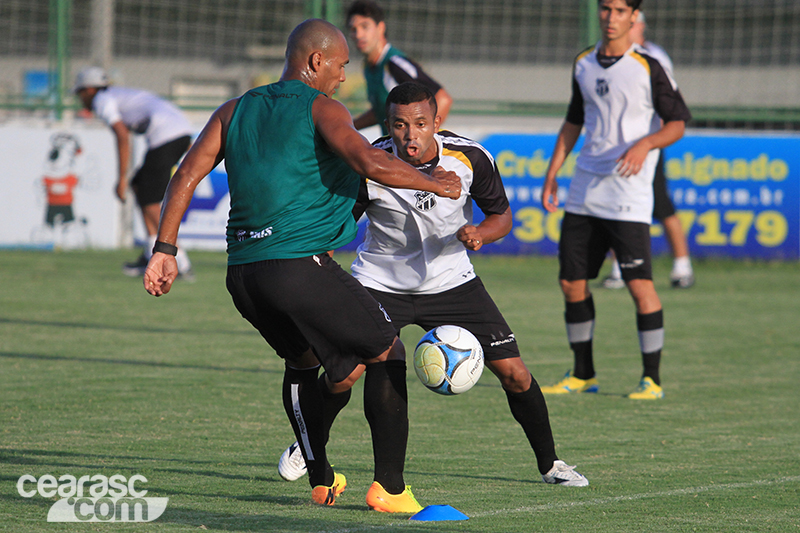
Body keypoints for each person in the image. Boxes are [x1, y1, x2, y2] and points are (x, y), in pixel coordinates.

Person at [143, 19, 461, 513]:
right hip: (296, 266)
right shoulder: (322, 107)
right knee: (386, 350)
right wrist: (435, 183)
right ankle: (391, 489)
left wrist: (164, 248)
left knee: (303, 362)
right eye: (340, 65)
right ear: (316, 61)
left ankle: (321, 478)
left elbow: (185, 173)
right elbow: (370, 163)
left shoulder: (234, 109)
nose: (343, 76)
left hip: (243, 275)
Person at [277, 82, 588, 488]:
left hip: (452, 282)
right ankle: (309, 444)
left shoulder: (471, 158)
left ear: (437, 122)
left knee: (515, 373)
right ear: (388, 124)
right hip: (379, 282)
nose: (411, 134)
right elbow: (336, 227)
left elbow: (502, 216)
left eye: (421, 124)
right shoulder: (369, 163)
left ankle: (551, 464)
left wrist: (480, 233)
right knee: (343, 376)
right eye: (400, 125)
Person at [539, 0, 691, 400]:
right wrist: (553, 171)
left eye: (620, 10)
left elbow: (677, 122)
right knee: (571, 282)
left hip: (628, 191)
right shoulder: (583, 63)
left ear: (633, 17)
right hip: (585, 187)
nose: (610, 17)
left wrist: (646, 143)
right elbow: (574, 120)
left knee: (640, 286)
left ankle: (651, 380)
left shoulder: (648, 66)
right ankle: (583, 374)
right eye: (605, 8)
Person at [602, 11, 695, 289]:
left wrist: (656, 139)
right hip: (616, 144)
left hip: (646, 143)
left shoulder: (654, 57)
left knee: (660, 204)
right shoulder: (608, 54)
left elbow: (670, 104)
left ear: (638, 25)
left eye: (628, 21)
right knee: (614, 204)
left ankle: (682, 266)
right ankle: (620, 268)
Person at [74, 67, 194, 278]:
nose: (80, 98)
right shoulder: (117, 94)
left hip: (167, 135)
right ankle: (151, 253)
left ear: (90, 89)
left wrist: (121, 178)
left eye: (80, 92)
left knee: (150, 200)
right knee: (140, 186)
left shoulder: (102, 99)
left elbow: (122, 135)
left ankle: (179, 260)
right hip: (179, 132)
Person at [346, 0, 453, 134]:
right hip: (390, 146)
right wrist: (348, 127)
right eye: (353, 29)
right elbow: (380, 112)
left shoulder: (394, 63)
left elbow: (443, 99)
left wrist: (423, 138)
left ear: (380, 27)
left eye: (365, 26)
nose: (358, 35)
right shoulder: (369, 67)